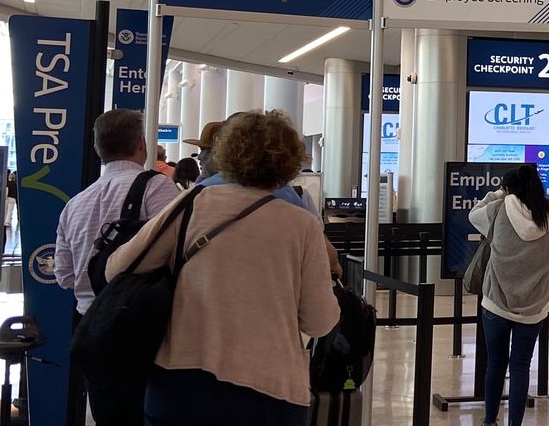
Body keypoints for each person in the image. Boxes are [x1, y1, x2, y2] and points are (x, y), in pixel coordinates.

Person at [108, 111, 338, 426]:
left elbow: (118, 268)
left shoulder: (191, 203)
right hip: (270, 390)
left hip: (181, 383)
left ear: (225, 152)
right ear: (289, 160)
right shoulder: (302, 224)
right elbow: (319, 321)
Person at [55, 109, 179, 426]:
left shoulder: (75, 204)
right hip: (143, 330)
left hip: (92, 331)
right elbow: (177, 255)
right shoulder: (158, 188)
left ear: (99, 148)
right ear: (141, 143)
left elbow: (65, 276)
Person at [468, 164, 549, 426]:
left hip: (496, 303)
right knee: (520, 366)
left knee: (495, 363)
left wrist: (496, 194)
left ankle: (489, 420)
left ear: (509, 189)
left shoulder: (498, 209)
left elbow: (473, 215)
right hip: (533, 307)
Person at [196, 115, 319, 221]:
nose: (199, 157)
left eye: (206, 150)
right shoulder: (289, 196)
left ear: (223, 149)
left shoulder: (197, 195)